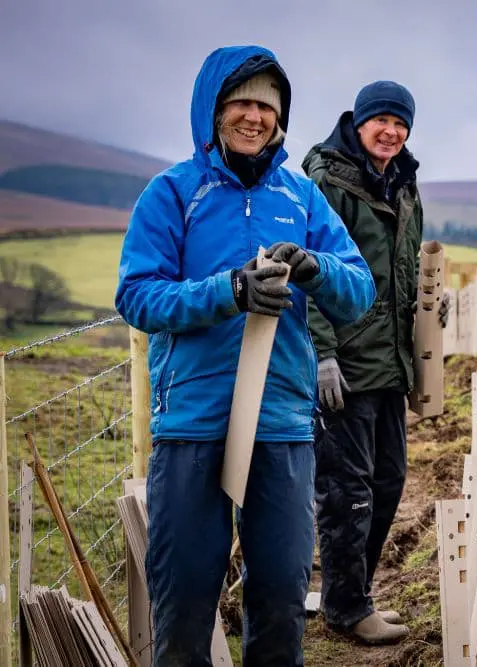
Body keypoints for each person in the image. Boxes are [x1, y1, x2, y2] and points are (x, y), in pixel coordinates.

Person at [114, 45, 375, 666]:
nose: (254, 116)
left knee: (283, 593)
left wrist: (315, 268)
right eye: (241, 103)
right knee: (183, 601)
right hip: (193, 420)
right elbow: (137, 294)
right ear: (213, 111)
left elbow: (359, 291)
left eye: (266, 105)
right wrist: (229, 291)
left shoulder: (304, 198)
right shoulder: (173, 193)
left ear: (280, 117)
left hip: (281, 421)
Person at [302, 80, 449, 645]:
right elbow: (307, 271)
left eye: (401, 123)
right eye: (381, 121)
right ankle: (345, 608)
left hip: (389, 363)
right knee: (347, 489)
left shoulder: (405, 186)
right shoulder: (326, 181)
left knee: (388, 482)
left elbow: (405, 270)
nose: (391, 132)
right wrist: (321, 353)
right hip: (344, 365)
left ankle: (352, 594)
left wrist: (432, 306)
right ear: (358, 122)